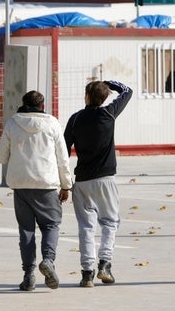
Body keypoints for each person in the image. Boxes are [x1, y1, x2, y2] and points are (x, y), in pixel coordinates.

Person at [0, 90, 73, 291]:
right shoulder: (52, 123)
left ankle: (28, 275)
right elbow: (62, 158)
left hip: (21, 185)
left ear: (23, 104)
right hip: (46, 184)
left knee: (26, 230)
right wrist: (66, 185)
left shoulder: (13, 123)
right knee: (50, 225)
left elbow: (0, 157)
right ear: (42, 106)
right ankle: (48, 260)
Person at [64, 80, 133, 288]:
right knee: (110, 222)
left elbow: (63, 150)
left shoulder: (75, 119)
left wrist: (63, 182)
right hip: (106, 179)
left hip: (83, 180)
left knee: (86, 226)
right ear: (104, 98)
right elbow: (127, 91)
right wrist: (109, 83)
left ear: (86, 96)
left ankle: (87, 272)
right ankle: (105, 263)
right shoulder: (109, 113)